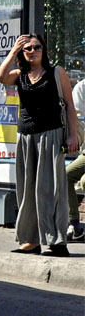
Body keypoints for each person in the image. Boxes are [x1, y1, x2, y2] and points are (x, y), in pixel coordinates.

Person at [0, 34, 78, 256]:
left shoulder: (56, 72)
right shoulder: (20, 74)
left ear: (44, 49)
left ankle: (56, 242)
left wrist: (72, 135)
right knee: (27, 190)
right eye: (28, 48)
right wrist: (14, 51)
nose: (33, 51)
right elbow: (1, 76)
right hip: (26, 136)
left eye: (37, 47)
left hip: (51, 134)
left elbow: (70, 105)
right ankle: (30, 241)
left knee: (51, 189)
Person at [66, 79, 85, 242]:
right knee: (66, 175)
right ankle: (74, 223)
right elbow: (78, 117)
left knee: (84, 182)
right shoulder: (82, 88)